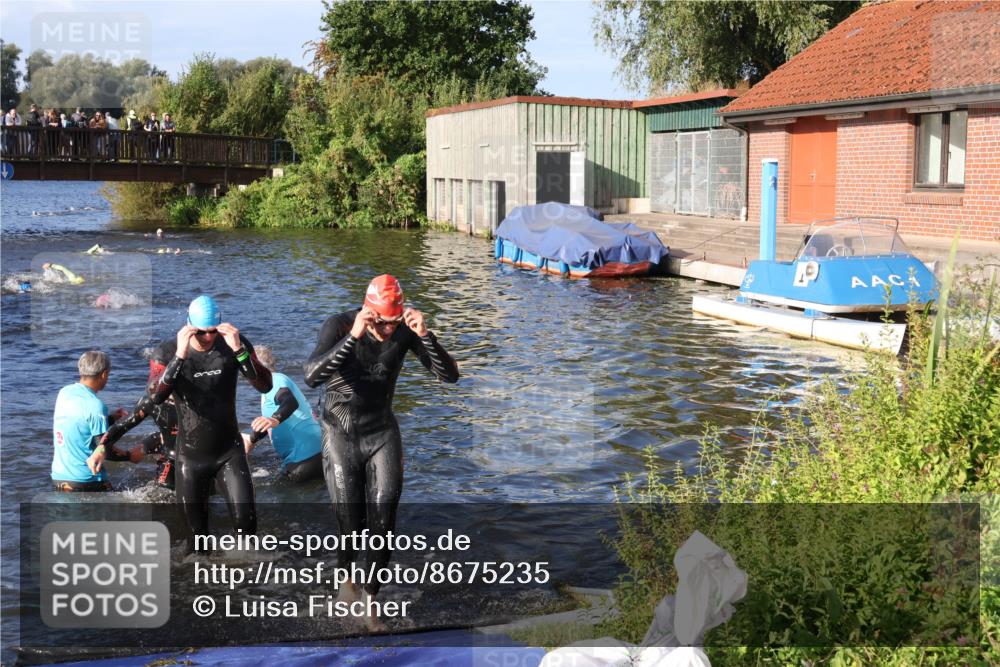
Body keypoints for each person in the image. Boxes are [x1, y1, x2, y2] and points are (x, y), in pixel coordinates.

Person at [303, 275, 459, 629]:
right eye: (382, 322)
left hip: (381, 432)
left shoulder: (404, 329)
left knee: (384, 519)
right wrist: (353, 337)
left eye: (394, 322)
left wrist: (425, 335)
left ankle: (370, 601)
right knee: (351, 522)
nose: (389, 330)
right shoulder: (339, 325)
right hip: (339, 433)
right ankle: (346, 578)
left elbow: (450, 376)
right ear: (368, 312)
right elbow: (311, 376)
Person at [147, 295, 272, 551]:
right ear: (189, 326)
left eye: (213, 331)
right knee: (197, 543)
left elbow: (265, 385)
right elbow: (156, 396)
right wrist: (179, 357)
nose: (208, 337)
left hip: (229, 453)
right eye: (201, 332)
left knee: (247, 529)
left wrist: (239, 351)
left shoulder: (233, 343)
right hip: (190, 459)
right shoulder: (167, 352)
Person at [51, 351, 142, 492]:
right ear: (104, 374)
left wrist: (110, 419)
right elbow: (104, 448)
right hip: (87, 480)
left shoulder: (64, 393)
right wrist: (130, 456)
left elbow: (82, 426)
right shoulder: (96, 405)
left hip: (59, 477)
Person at [243, 346, 323, 483]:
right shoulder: (274, 383)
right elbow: (273, 421)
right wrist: (251, 439)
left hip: (303, 461)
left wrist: (274, 419)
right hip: (319, 454)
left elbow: (289, 402)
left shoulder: (274, 381)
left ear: (255, 369)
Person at [100, 388, 179, 491]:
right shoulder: (153, 402)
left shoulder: (154, 402)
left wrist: (128, 456)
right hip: (176, 453)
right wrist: (131, 454)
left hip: (183, 455)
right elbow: (118, 429)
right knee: (164, 491)